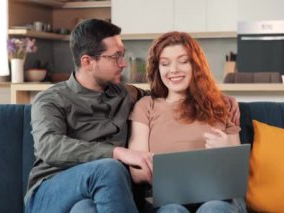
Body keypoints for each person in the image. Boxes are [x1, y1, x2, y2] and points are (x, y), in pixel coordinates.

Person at [24, 19, 240, 213]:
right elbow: (48, 146)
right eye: (116, 56)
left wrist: (216, 97)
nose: (124, 63)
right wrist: (118, 152)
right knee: (109, 167)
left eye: (123, 54)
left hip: (105, 192)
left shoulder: (126, 94)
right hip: (52, 191)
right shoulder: (51, 100)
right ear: (88, 62)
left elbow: (168, 97)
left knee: (85, 209)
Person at [128, 31, 247, 213]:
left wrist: (225, 149)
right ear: (157, 69)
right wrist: (161, 171)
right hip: (167, 199)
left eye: (183, 61)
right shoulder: (146, 106)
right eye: (165, 63)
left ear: (195, 66)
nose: (174, 70)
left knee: (213, 209)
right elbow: (136, 173)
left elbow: (237, 172)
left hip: (220, 197)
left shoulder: (221, 105)